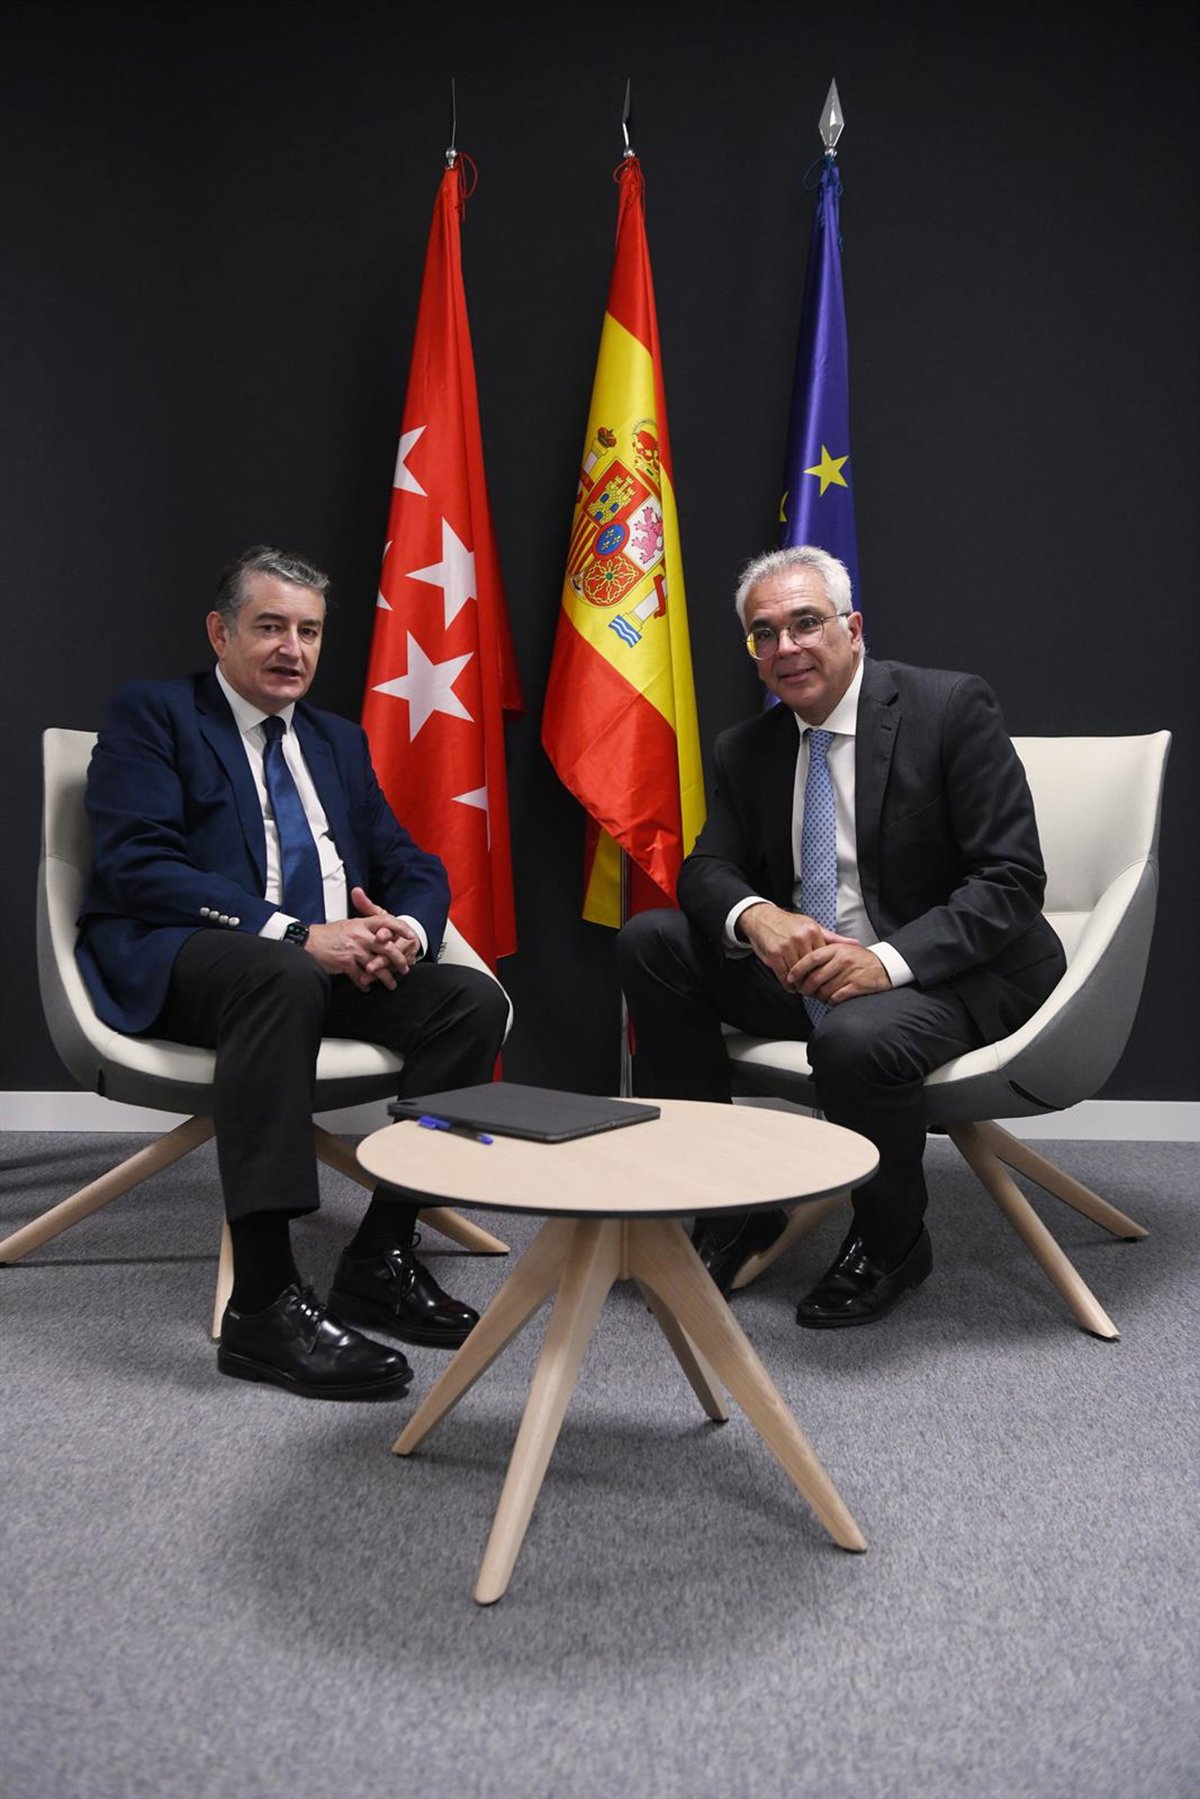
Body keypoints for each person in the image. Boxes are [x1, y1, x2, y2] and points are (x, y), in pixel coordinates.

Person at [77, 545, 510, 1397]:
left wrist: (404, 933)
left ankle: (382, 1253)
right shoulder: (155, 715)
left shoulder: (335, 740)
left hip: (319, 967)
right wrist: (296, 933)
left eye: (308, 631)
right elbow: (138, 865)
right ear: (221, 632)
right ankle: (264, 1304)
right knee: (282, 974)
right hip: (192, 958)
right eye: (270, 626)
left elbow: (408, 861)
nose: (292, 649)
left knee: (467, 1000)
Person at [617, 544, 1065, 1327]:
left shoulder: (949, 709)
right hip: (809, 972)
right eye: (764, 633)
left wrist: (884, 963)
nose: (786, 646)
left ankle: (892, 1242)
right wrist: (756, 916)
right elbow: (706, 869)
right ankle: (730, 1208)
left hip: (950, 971)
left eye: (806, 622)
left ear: (853, 629)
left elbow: (1011, 881)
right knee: (651, 942)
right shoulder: (747, 747)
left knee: (856, 1037)